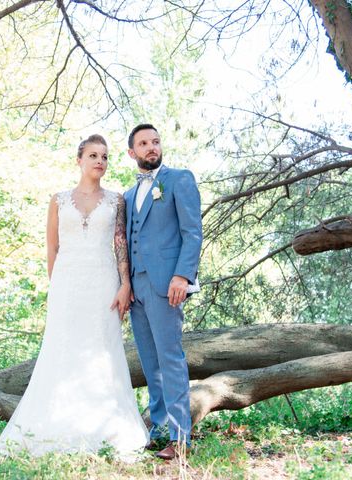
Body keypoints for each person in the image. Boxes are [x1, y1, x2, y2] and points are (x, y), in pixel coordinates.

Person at [0, 134, 149, 459]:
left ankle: (104, 427)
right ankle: (56, 424)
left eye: (105, 157)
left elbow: (120, 244)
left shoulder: (116, 201)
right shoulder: (59, 200)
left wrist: (125, 284)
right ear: (79, 159)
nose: (100, 161)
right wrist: (59, 284)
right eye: (93, 155)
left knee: (101, 351)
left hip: (103, 286)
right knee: (62, 349)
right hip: (67, 285)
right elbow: (52, 248)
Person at [124, 124, 202, 460]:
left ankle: (180, 436)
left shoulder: (179, 179)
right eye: (143, 143)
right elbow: (125, 242)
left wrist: (182, 276)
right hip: (136, 286)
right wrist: (124, 285)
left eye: (155, 141)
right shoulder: (127, 196)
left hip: (167, 283)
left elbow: (192, 231)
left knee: (170, 358)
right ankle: (158, 429)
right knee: (149, 361)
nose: (151, 147)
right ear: (132, 153)